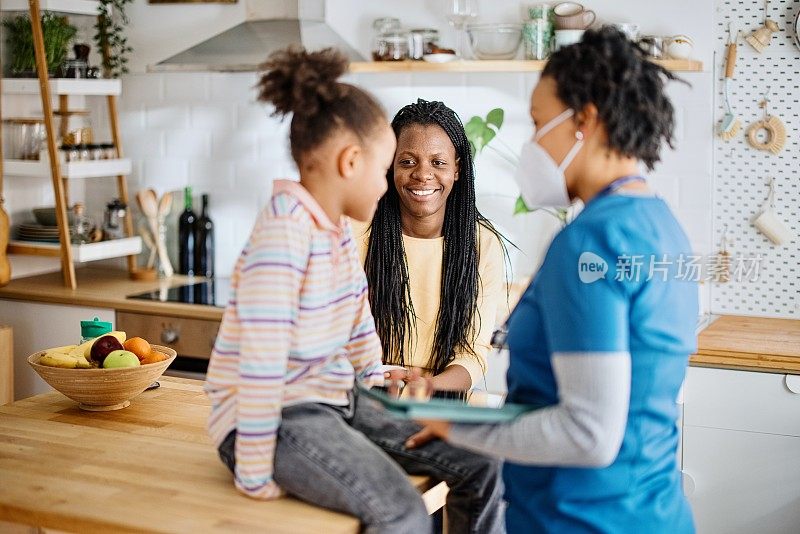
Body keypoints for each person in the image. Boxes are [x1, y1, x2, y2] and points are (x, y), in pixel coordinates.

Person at [204, 47, 503, 534]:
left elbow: (356, 316)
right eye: (389, 167)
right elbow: (260, 365)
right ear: (350, 162)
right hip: (276, 419)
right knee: (402, 512)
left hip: (337, 399)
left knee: (483, 463)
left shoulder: (337, 229)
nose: (391, 185)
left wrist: (377, 377)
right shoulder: (284, 233)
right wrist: (254, 472)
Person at [415, 27, 699, 533]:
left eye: (540, 123)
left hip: (583, 518)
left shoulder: (591, 242)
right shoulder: (662, 225)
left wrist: (450, 424)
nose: (533, 142)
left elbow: (587, 433)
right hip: (652, 512)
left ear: (584, 121)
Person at [354, 99, 509, 392]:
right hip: (367, 396)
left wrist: (426, 387)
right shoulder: (357, 231)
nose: (422, 174)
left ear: (457, 170)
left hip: (443, 402)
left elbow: (472, 355)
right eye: (408, 161)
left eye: (438, 162)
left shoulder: (483, 244)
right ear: (390, 166)